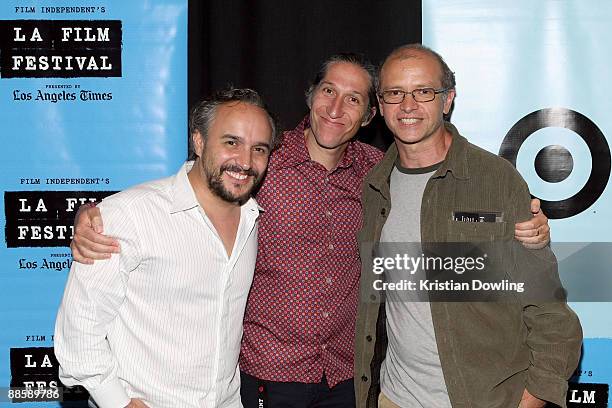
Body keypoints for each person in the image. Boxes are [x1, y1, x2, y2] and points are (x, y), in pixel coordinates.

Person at [69, 54, 550, 408]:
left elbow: (450, 195)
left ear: (368, 116)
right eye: (328, 91)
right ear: (311, 96)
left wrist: (524, 227)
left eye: (355, 98)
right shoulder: (261, 163)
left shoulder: (377, 172)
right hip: (267, 377)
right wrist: (95, 216)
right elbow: (193, 188)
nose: (337, 108)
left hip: (348, 377)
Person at [354, 44, 582, 408]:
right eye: (395, 93)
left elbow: (548, 310)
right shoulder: (373, 186)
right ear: (380, 105)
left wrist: (535, 396)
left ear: (447, 100)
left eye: (423, 92)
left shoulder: (495, 180)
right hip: (395, 398)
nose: (408, 105)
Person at [54, 88, 280, 408]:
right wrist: (117, 402)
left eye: (259, 149)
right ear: (199, 142)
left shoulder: (252, 217)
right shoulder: (127, 215)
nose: (245, 161)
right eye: (231, 142)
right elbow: (78, 328)